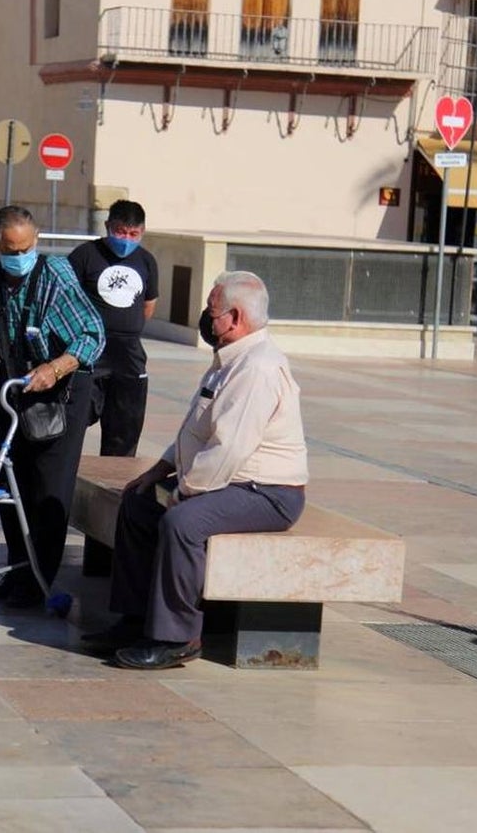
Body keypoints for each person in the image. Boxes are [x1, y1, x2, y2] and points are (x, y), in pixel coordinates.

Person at [84, 271, 308, 670]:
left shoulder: (257, 368)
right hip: (230, 480)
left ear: (235, 318)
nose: (206, 317)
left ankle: (178, 637)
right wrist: (161, 469)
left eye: (211, 310)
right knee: (137, 502)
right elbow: (198, 428)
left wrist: (184, 491)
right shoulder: (230, 359)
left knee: (183, 523)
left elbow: (230, 448)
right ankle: (135, 619)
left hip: (268, 492)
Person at [0, 205, 105, 608]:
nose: (20, 257)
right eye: (11, 250)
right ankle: (17, 572)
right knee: (9, 480)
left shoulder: (55, 275)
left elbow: (92, 333)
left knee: (47, 485)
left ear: (36, 240)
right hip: (15, 384)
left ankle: (38, 581)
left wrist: (56, 367)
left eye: (27, 248)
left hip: (60, 388)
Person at [68, 199, 159, 575]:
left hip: (128, 364)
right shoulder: (85, 256)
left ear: (142, 232)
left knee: (120, 452)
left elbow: (148, 306)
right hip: (88, 358)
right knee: (69, 432)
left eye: (133, 233)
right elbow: (66, 300)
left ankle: (104, 553)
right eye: (120, 232)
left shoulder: (147, 261)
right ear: (108, 227)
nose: (126, 239)